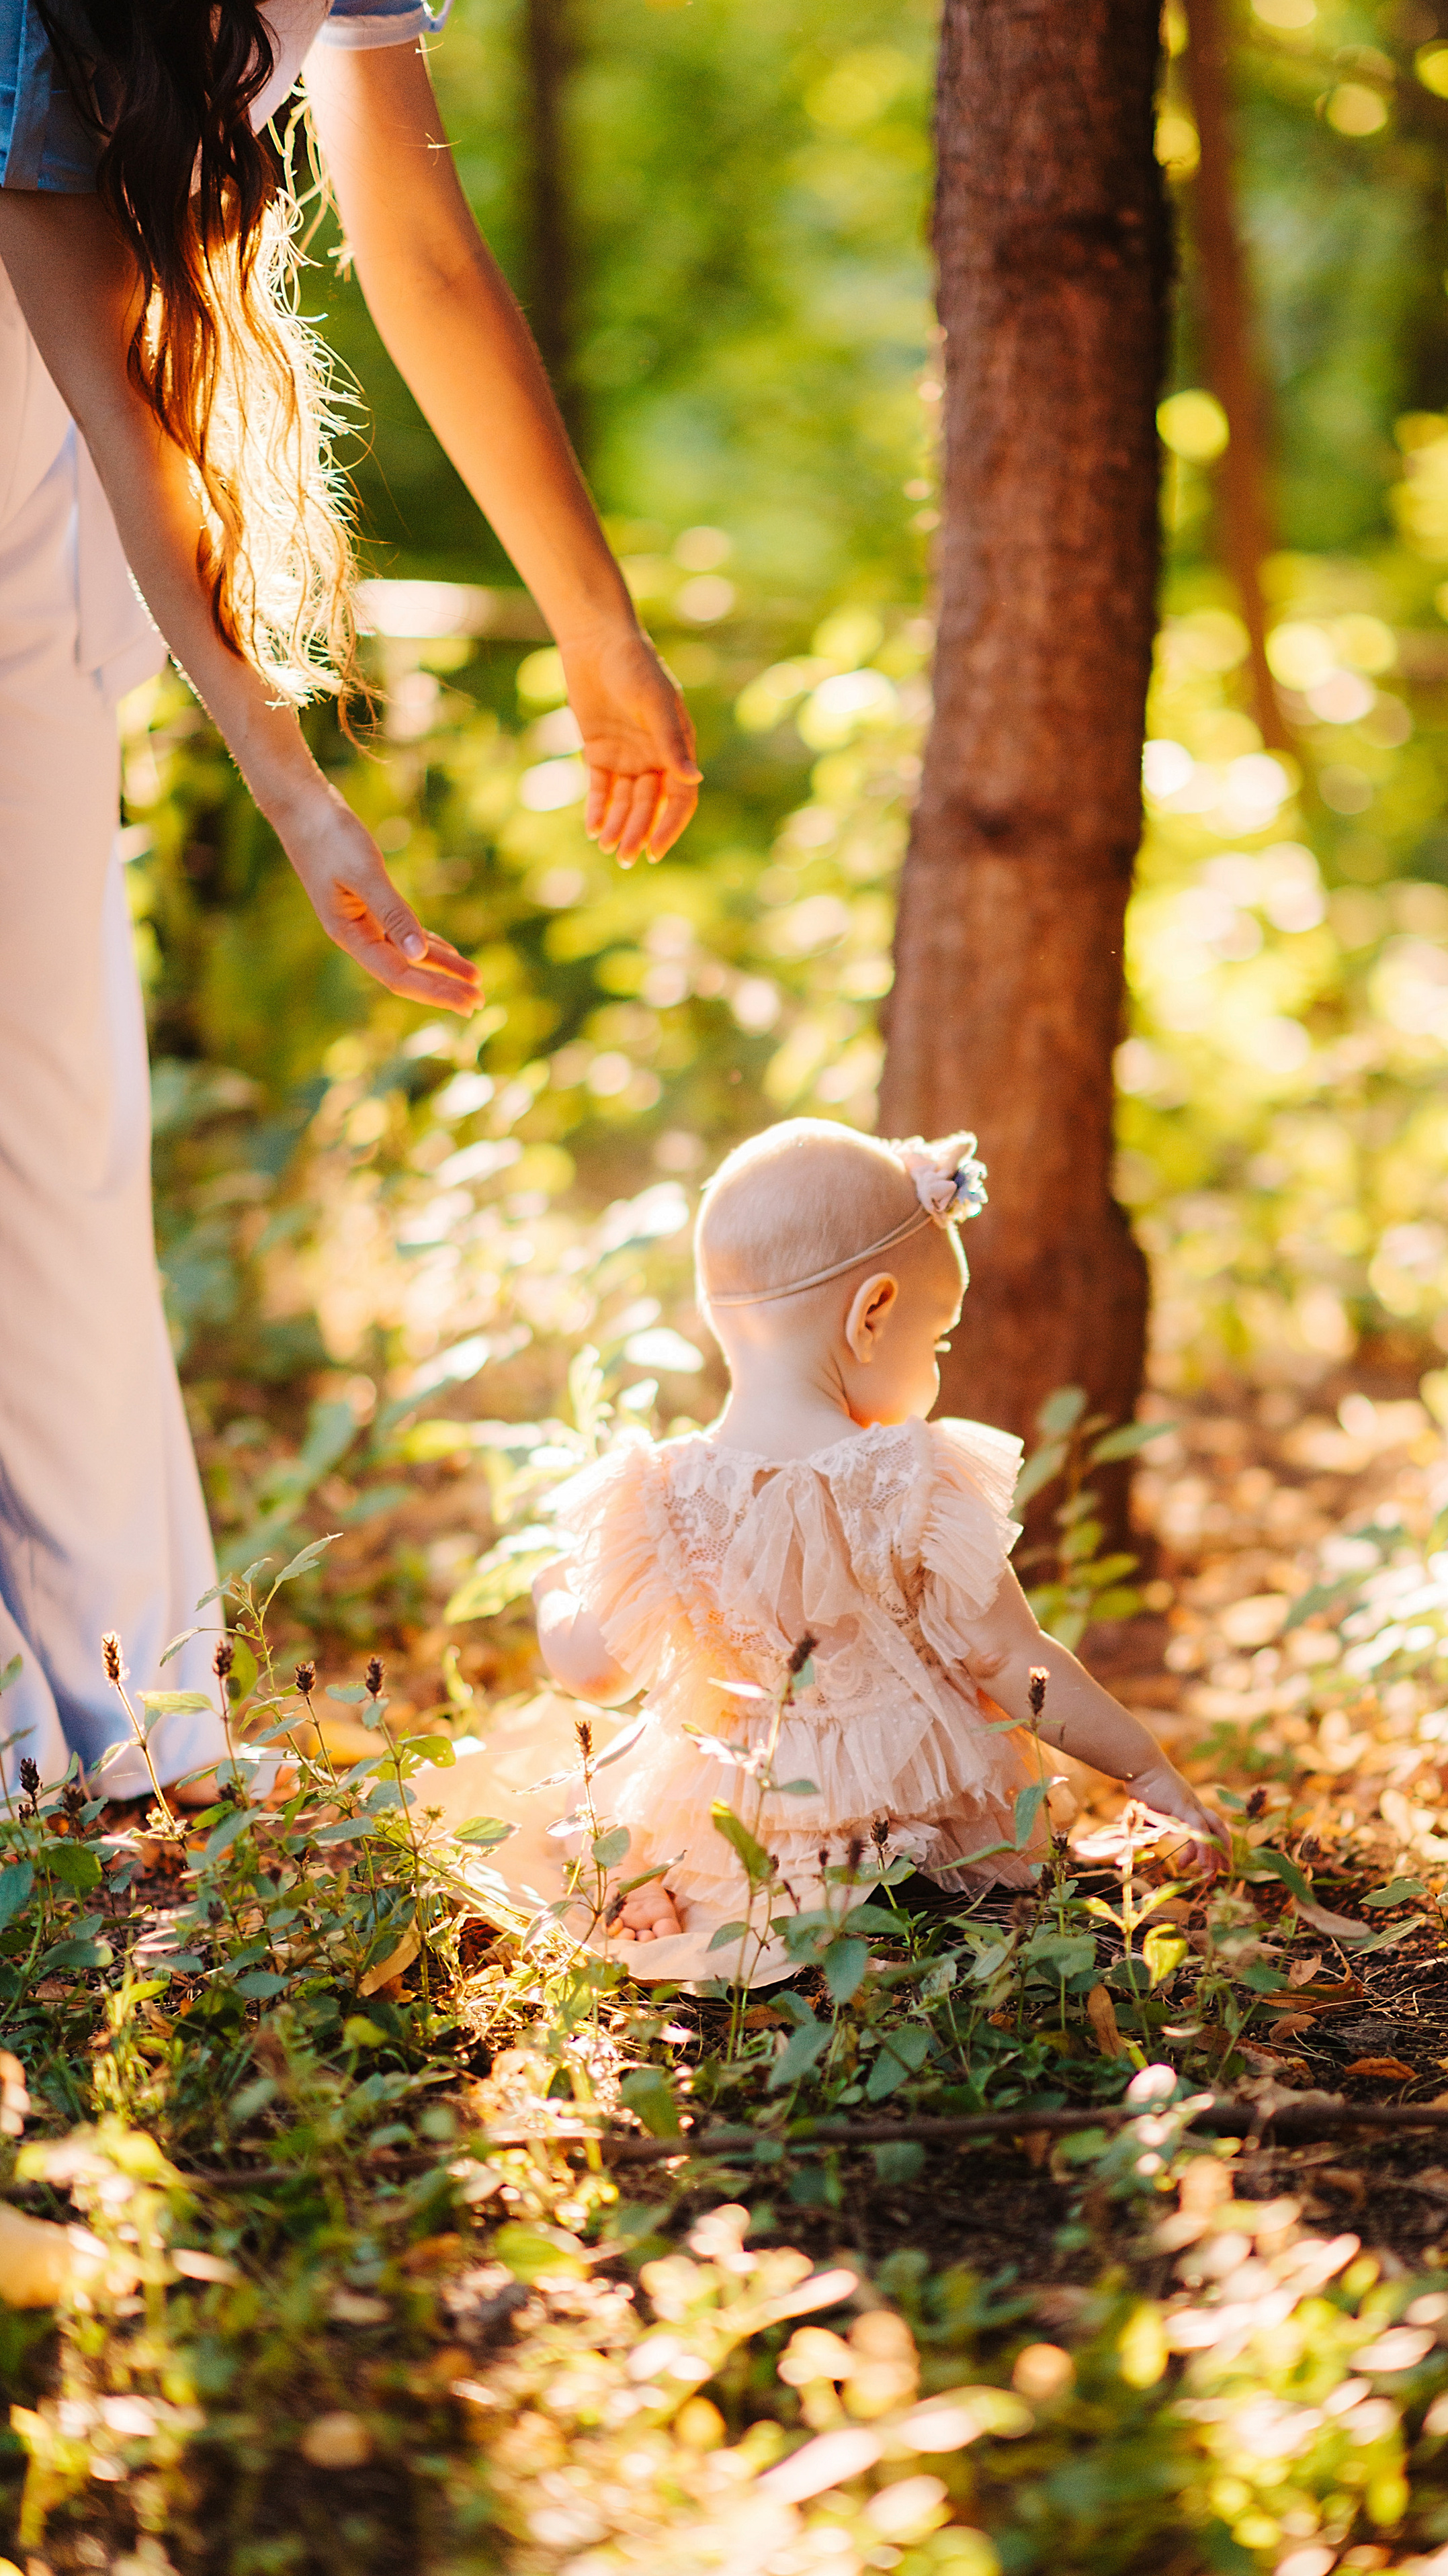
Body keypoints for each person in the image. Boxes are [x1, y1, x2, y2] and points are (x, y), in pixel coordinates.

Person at [0, 0, 699, 1800]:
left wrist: (595, 620)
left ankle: (105, 1721)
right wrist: (289, 777)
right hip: (52, 449)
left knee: (52, 1138)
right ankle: (74, 1731)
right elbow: (80, 301)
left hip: (57, 537)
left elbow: (418, 243)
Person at [512, 1120, 1226, 1986]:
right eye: (939, 1340)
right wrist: (1145, 1766)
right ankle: (890, 1925)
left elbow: (594, 1674)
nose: (940, 1364)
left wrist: (555, 1588)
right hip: (917, 1841)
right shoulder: (910, 1475)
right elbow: (1009, 1656)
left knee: (624, 1801)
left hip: (736, 1846)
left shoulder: (658, 1491)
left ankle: (709, 1906)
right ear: (873, 1314)